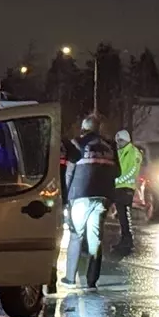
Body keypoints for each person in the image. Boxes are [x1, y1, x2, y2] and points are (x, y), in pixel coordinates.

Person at [62, 115, 116, 290]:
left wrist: (65, 198)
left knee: (76, 235)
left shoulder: (77, 143)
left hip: (80, 195)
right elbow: (117, 172)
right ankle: (92, 281)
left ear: (83, 129)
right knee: (96, 238)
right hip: (103, 197)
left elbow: (69, 172)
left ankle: (70, 279)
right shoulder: (109, 146)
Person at [112, 129, 142, 255]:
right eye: (117, 141)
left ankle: (127, 241)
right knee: (121, 216)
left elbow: (132, 170)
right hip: (119, 187)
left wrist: (118, 180)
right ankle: (124, 239)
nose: (119, 143)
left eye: (121, 140)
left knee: (125, 215)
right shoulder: (120, 151)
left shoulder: (133, 152)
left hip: (126, 187)